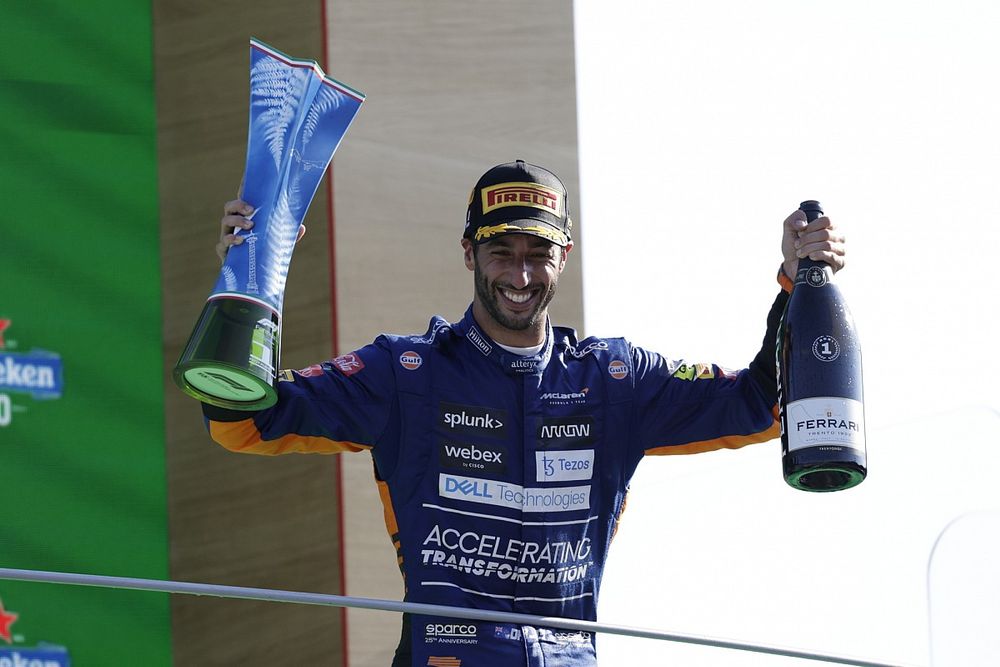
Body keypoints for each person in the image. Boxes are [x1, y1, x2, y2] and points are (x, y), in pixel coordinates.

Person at [203, 159, 845, 666]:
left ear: (564, 255)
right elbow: (245, 420)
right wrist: (247, 275)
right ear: (468, 252)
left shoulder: (614, 380)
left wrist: (792, 283)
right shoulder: (405, 375)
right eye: (501, 251)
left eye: (537, 252)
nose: (520, 272)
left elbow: (761, 405)